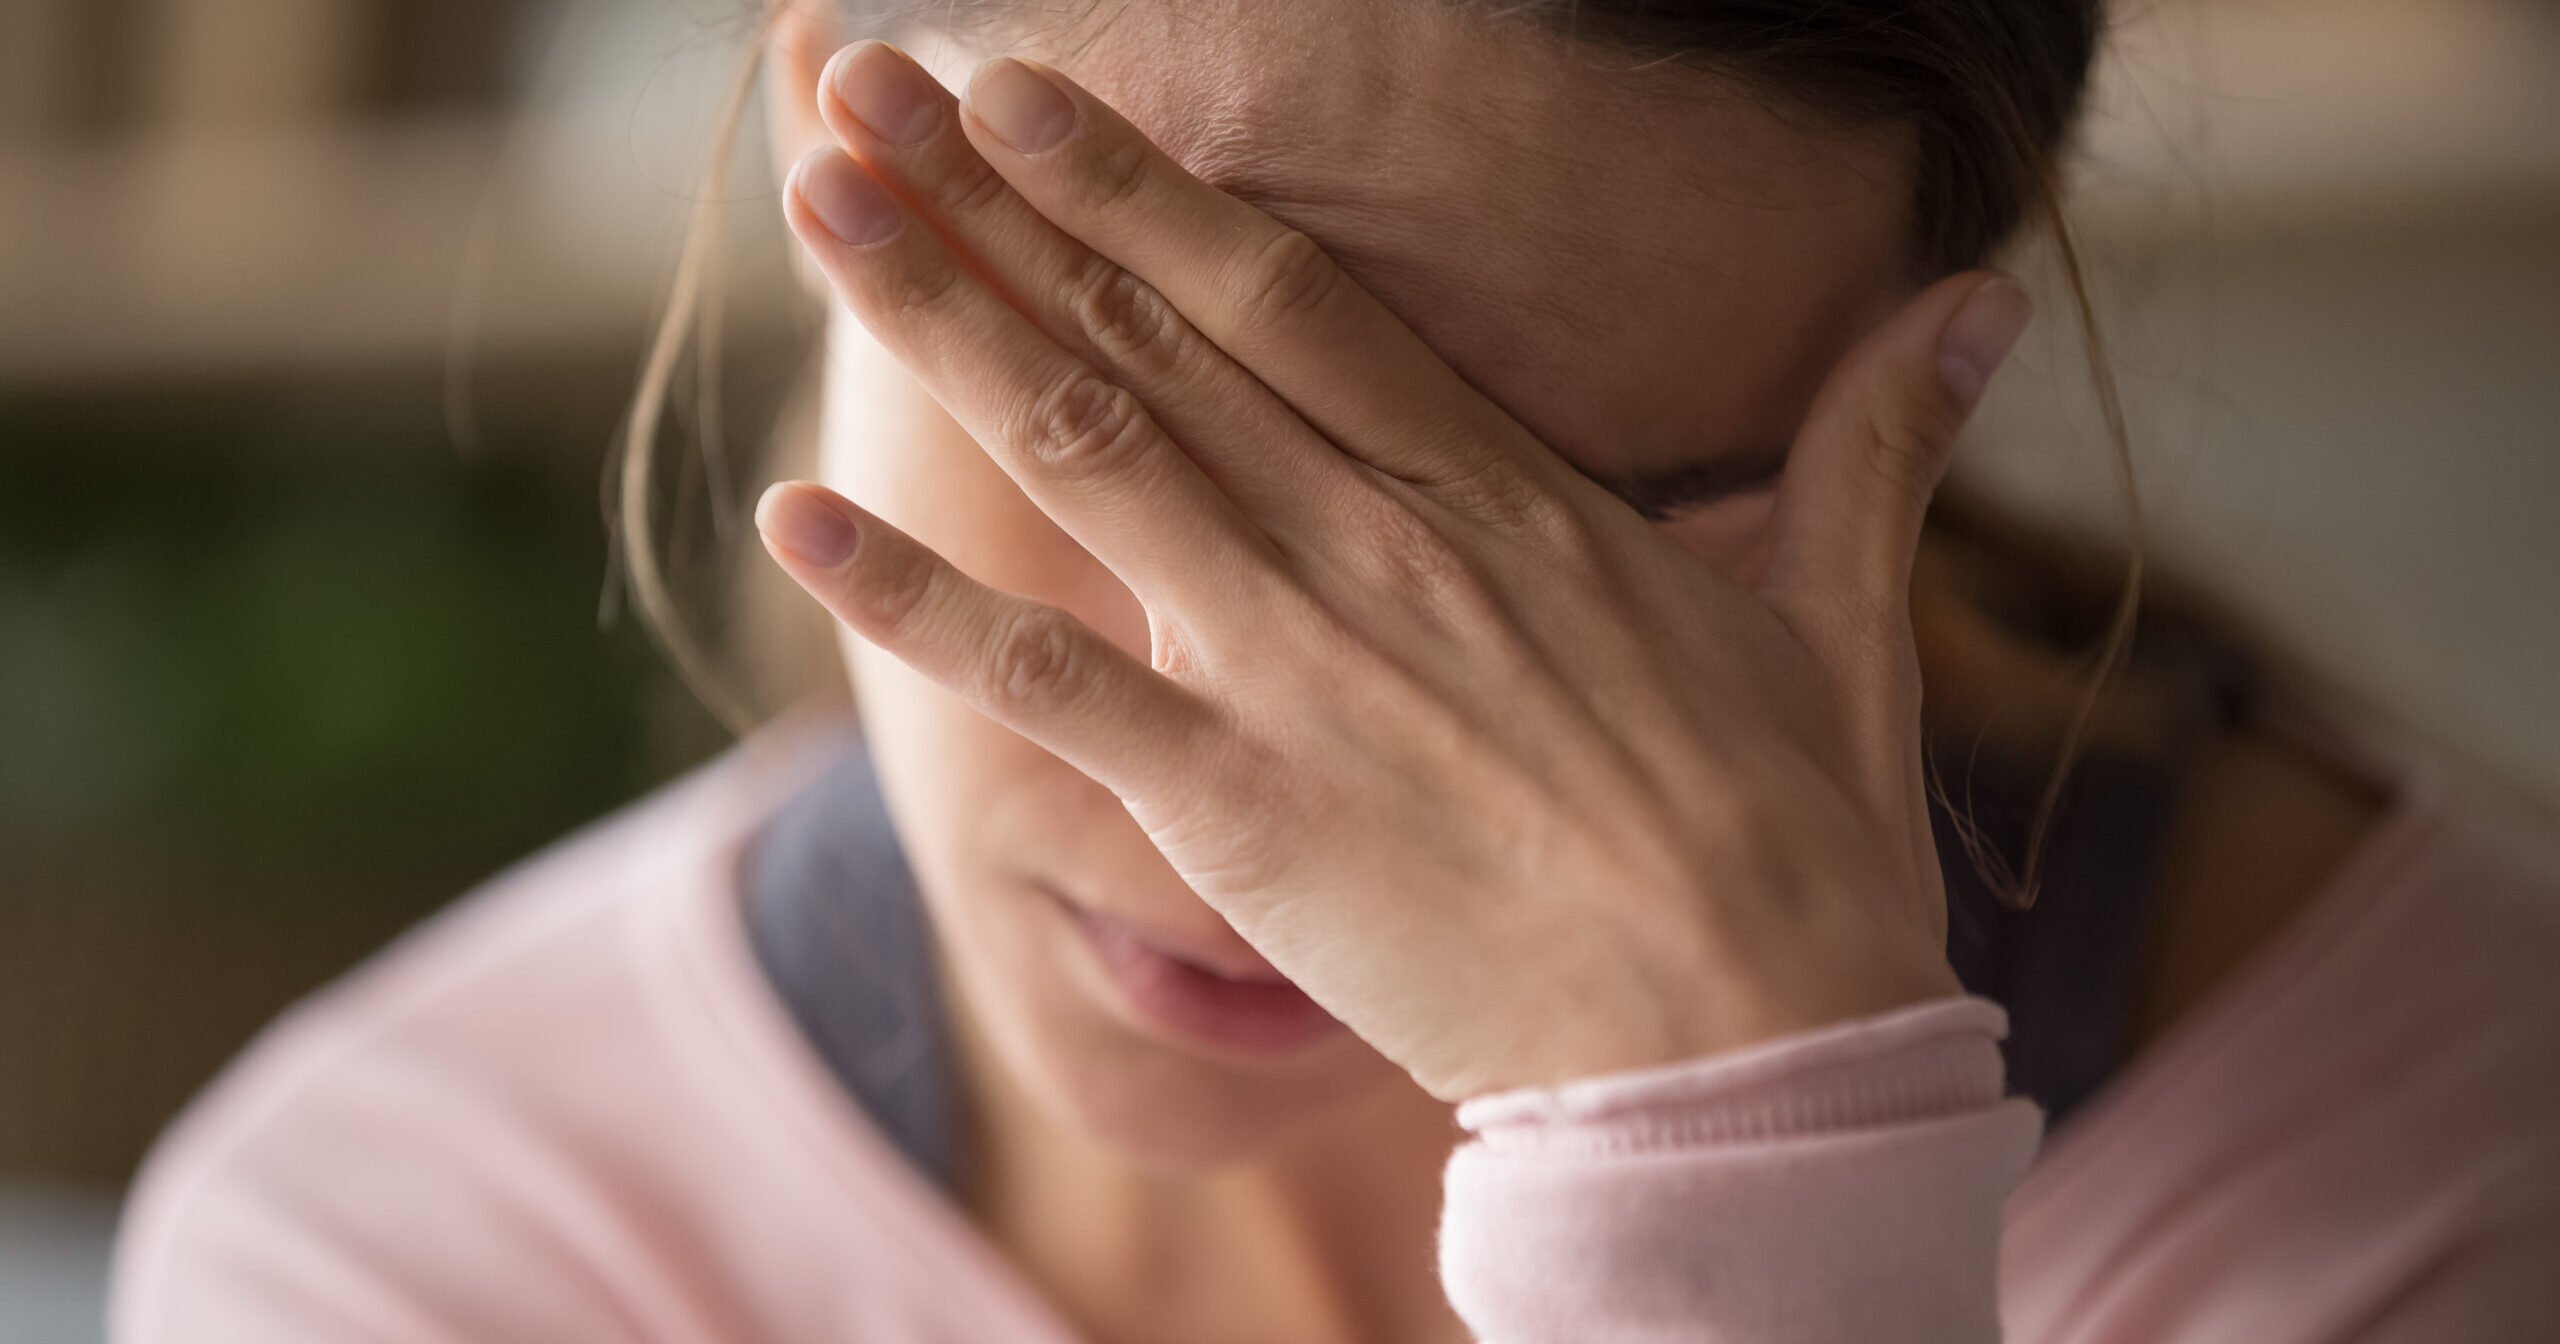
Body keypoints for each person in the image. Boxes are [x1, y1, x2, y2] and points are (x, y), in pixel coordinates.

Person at [109, 1, 2560, 1340]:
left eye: (1558, 552)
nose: (1250, 778)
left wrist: (1747, 1191)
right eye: (1150, 410)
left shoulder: (2438, 1190)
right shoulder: (411, 1250)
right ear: (816, 128)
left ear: (1924, 391)